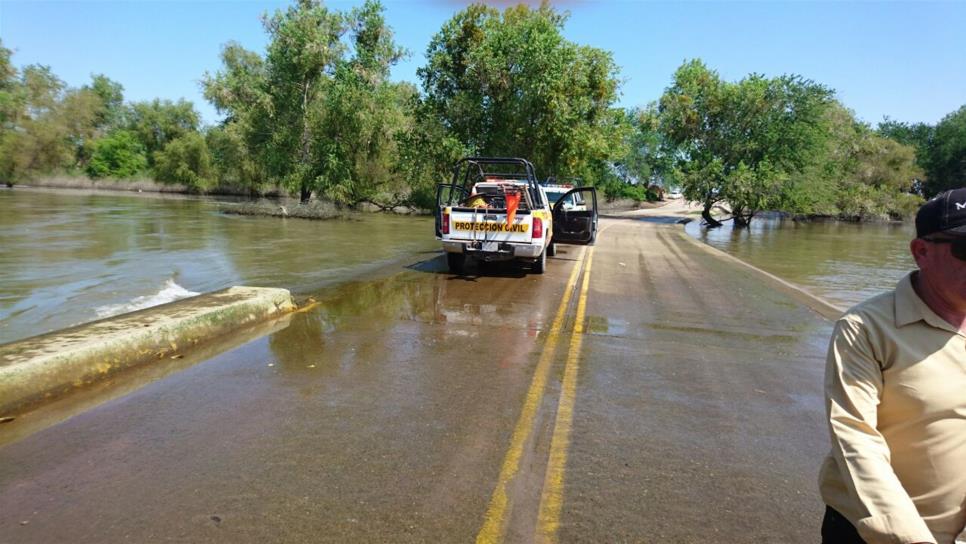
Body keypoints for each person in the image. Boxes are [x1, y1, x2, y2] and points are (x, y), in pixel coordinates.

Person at [819, 187, 966, 544]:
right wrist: (910, 538)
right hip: (874, 534)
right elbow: (856, 438)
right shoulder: (865, 329)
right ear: (921, 252)